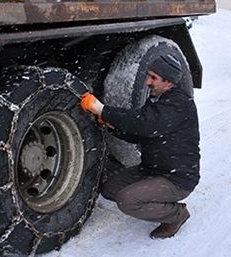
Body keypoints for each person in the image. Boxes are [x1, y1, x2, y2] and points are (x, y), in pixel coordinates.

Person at [79, 54, 200, 239]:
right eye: (148, 75)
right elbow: (140, 134)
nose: (147, 82)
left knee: (126, 200)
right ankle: (152, 200)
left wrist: (102, 109)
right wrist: (112, 127)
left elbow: (146, 124)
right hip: (151, 170)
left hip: (176, 178)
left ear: (169, 82)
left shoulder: (180, 104)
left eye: (153, 77)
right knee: (110, 189)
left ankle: (176, 215)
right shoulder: (155, 101)